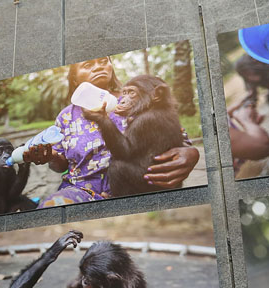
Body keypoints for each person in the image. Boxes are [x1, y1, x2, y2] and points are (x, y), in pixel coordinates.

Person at [27, 57, 200, 207]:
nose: (98, 67)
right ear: (74, 78)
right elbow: (60, 164)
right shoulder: (66, 116)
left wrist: (191, 153)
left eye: (103, 61)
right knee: (50, 205)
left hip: (136, 188)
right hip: (81, 190)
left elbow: (174, 137)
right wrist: (49, 155)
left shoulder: (137, 101)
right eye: (88, 65)